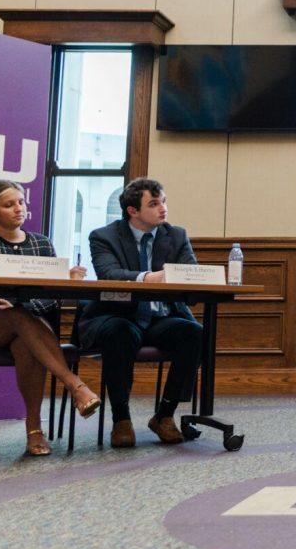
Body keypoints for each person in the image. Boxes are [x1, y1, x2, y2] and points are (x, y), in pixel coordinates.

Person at [0, 180, 98, 457]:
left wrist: (67, 282)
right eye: (9, 205)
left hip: (30, 327)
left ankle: (34, 431)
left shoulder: (42, 243)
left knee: (24, 339)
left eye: (21, 202)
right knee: (15, 315)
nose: (19, 209)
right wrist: (21, 302)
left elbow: (51, 297)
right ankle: (76, 386)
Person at [75, 178, 203, 449]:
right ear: (133, 211)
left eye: (164, 202)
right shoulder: (104, 236)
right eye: (154, 204)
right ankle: (121, 418)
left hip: (160, 318)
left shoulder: (176, 235)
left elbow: (190, 278)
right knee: (119, 332)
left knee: (193, 333)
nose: (163, 209)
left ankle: (165, 414)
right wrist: (151, 278)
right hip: (119, 316)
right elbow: (109, 274)